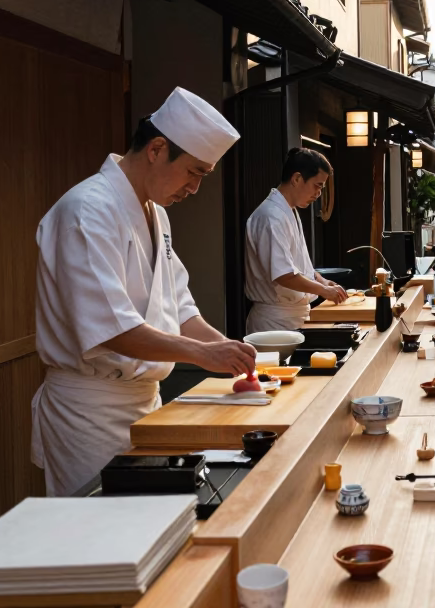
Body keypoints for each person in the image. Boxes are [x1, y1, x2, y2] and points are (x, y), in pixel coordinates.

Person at [31, 88, 258, 496]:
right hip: (89, 411)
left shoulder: (158, 215)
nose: (194, 188)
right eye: (195, 172)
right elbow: (112, 328)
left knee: (147, 521)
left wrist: (227, 349)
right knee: (97, 535)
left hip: (144, 401)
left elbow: (179, 309)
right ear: (156, 149)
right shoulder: (86, 210)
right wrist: (204, 355)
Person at [244, 148, 347, 331]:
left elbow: (296, 265)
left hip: (293, 316)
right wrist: (323, 290)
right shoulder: (271, 216)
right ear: (297, 179)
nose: (318, 194)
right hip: (275, 321)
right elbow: (284, 274)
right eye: (317, 185)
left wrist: (321, 281)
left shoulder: (288, 211)